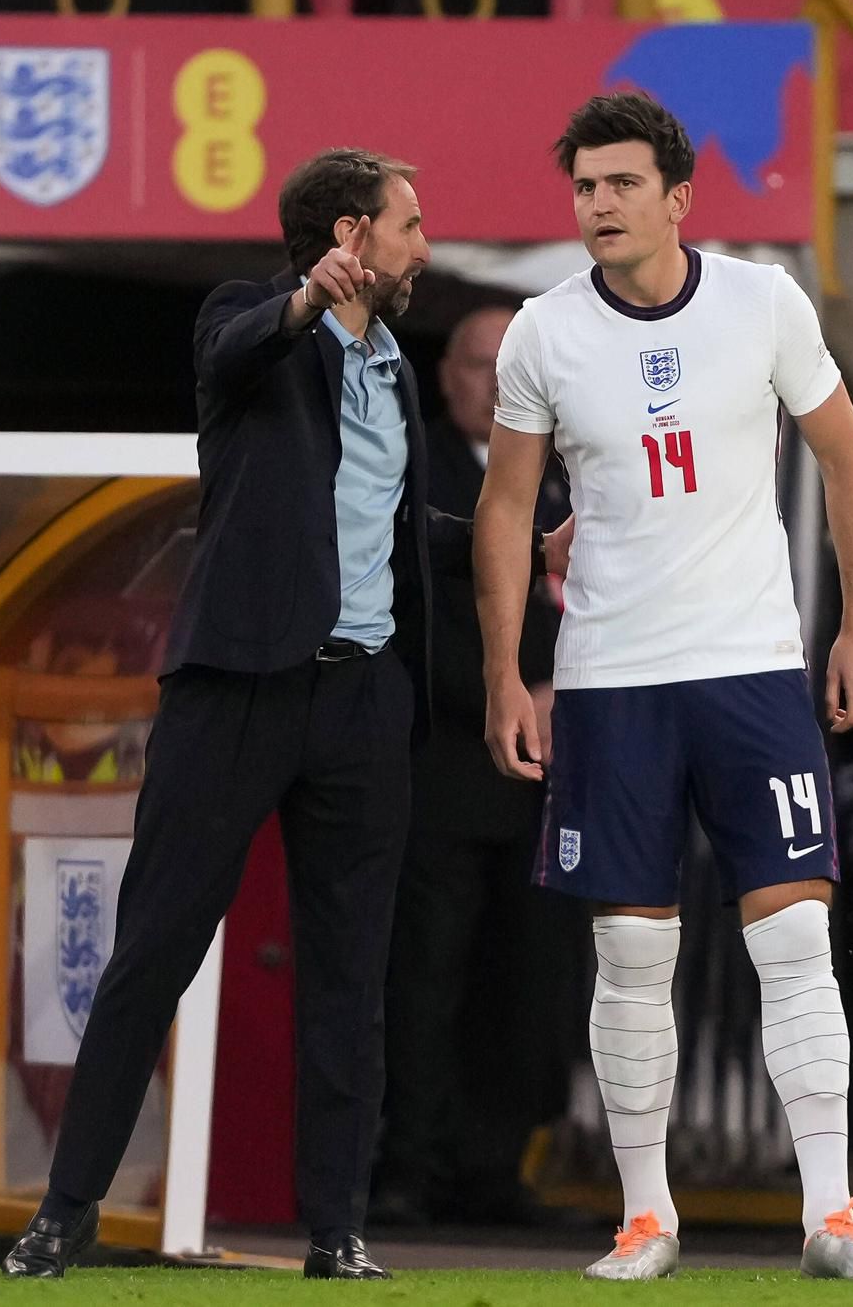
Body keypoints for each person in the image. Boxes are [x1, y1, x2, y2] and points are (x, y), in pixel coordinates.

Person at [3, 147, 565, 1281]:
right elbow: (236, 354)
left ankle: (335, 1231)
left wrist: (511, 544)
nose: (424, 244)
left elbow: (397, 527)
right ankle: (62, 1214)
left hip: (363, 700)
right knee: (154, 951)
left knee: (352, 976)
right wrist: (310, 297)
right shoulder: (250, 319)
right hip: (240, 689)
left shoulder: (399, 363)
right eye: (409, 225)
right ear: (353, 234)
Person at [473, 92, 853, 1281]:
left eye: (620, 185)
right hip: (611, 677)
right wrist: (507, 673)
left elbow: (849, 459)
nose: (597, 206)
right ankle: (647, 1216)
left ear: (677, 198)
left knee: (796, 937)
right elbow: (508, 508)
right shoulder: (541, 332)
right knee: (629, 952)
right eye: (583, 188)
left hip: (752, 668)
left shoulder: (765, 302)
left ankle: (829, 1216)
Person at [376, 307, 579, 1224]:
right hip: (444, 773)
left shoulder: (567, 472)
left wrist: (561, 692)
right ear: (446, 376)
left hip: (547, 783)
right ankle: (406, 1173)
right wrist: (511, 693)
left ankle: (496, 1173)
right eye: (479, 365)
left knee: (529, 986)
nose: (496, 384)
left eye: (513, 368)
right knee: (425, 981)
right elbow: (405, 622)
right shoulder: (411, 468)